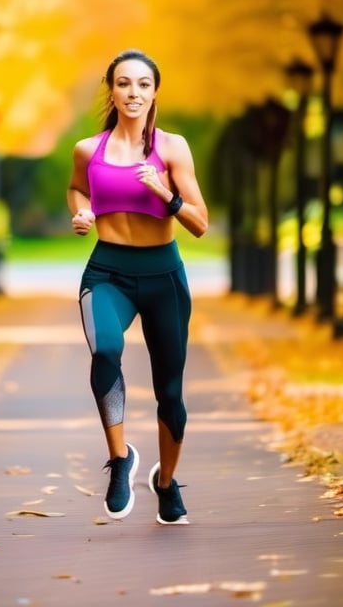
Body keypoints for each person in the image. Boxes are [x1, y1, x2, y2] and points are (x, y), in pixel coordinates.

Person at [67, 48, 208, 524]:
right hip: (107, 271)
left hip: (163, 275)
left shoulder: (172, 149)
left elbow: (201, 224)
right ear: (112, 89)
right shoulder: (89, 149)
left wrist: (164, 194)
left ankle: (166, 483)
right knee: (105, 350)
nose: (133, 92)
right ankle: (120, 458)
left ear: (154, 92)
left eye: (143, 84)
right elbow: (78, 187)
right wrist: (82, 212)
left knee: (170, 391)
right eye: (124, 83)